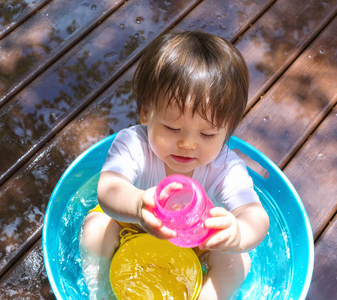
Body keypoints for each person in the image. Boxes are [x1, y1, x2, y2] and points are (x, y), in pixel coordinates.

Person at [80, 30, 270, 300]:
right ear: (146, 112)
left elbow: (257, 216)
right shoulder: (134, 144)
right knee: (95, 227)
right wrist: (137, 205)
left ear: (227, 130)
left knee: (238, 263)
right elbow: (109, 188)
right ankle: (100, 292)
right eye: (172, 128)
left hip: (197, 240)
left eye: (207, 134)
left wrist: (237, 233)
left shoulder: (226, 167)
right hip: (132, 224)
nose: (188, 144)